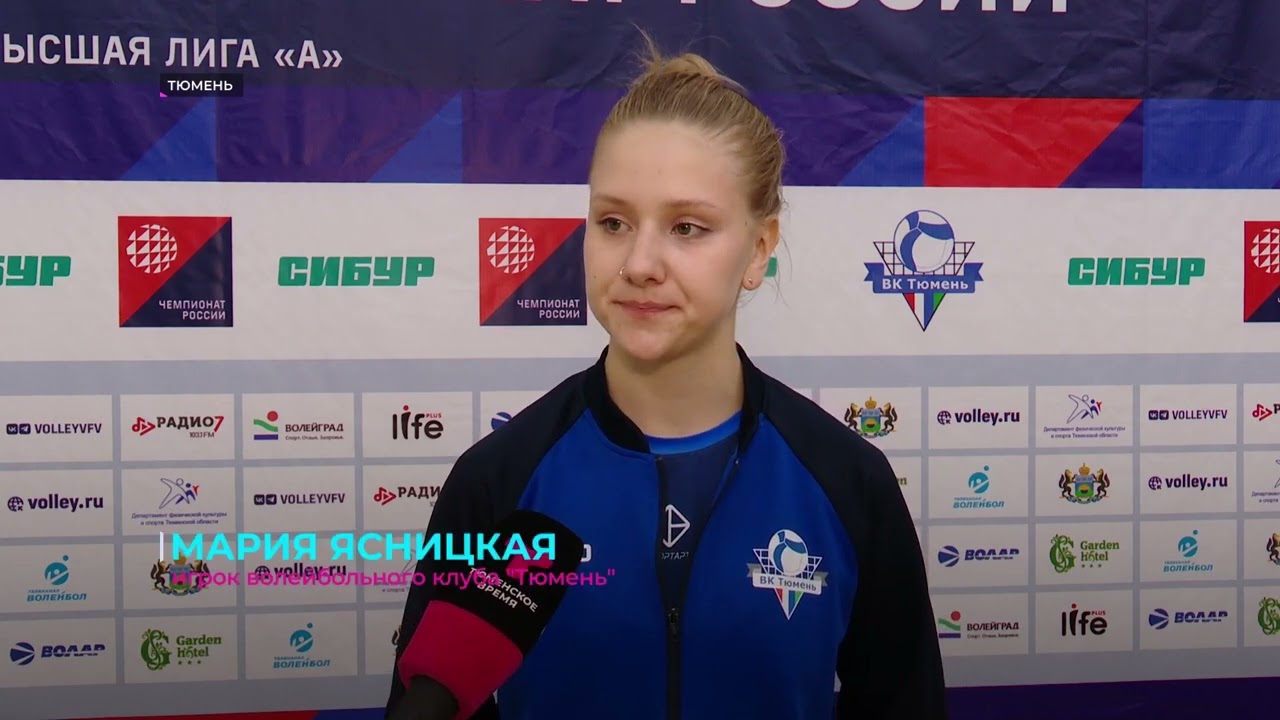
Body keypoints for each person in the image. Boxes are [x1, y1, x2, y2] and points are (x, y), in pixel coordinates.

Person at [387, 34, 946, 720]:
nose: (640, 264)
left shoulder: (848, 482)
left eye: (687, 228)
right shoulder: (497, 483)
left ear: (759, 249)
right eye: (613, 222)